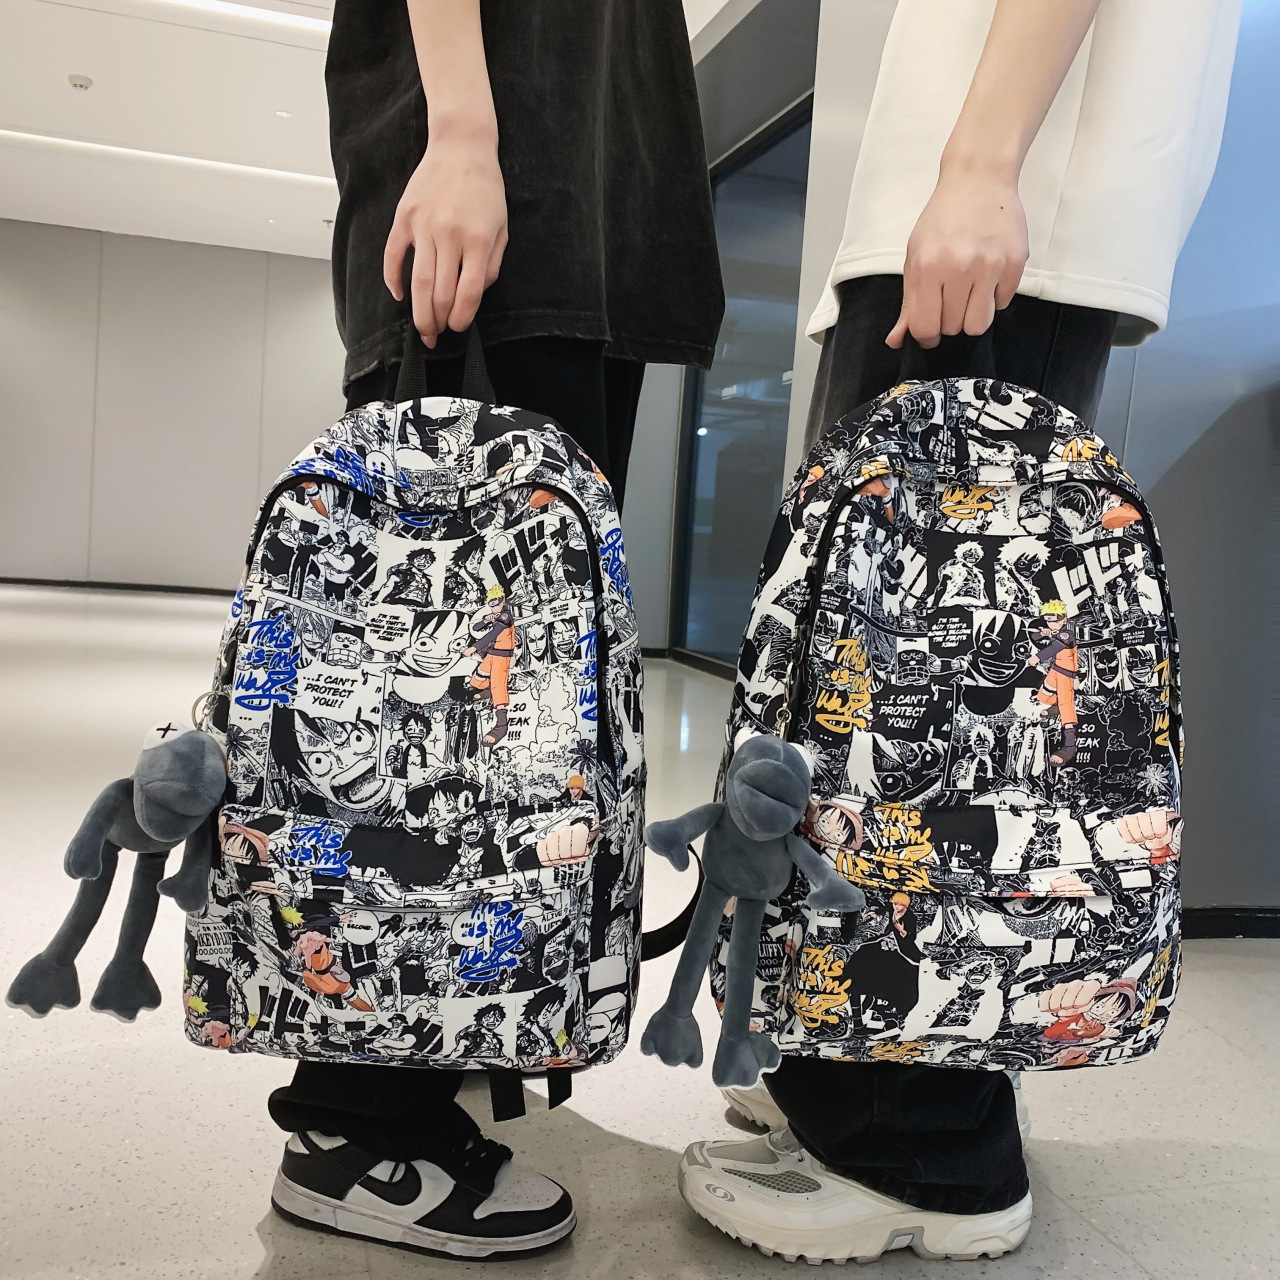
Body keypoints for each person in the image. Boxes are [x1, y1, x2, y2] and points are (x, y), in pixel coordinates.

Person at [680, 0, 1239, 1264]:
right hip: (1001, 189)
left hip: (996, 187)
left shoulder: (990, 178)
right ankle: (876, 1084)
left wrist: (982, 162)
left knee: (909, 714)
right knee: (899, 696)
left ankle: (913, 1147)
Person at [268, 0, 723, 1260]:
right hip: (503, 195)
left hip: (583, 224)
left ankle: (437, 1046)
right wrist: (463, 130)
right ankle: (351, 1118)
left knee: (514, 717)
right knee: (425, 710)